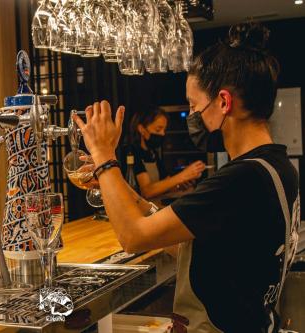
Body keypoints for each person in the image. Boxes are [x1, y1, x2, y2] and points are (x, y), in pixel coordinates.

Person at [73, 22, 299, 332]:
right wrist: (116, 185)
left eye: (194, 106)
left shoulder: (242, 178)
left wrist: (102, 157)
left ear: (223, 102)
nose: (192, 117)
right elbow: (195, 246)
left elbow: (133, 237)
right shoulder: (274, 166)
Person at [124, 107, 205, 199]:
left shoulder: (153, 153)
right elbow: (147, 191)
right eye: (158, 129)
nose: (162, 134)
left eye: (164, 130)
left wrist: (181, 184)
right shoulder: (132, 152)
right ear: (142, 129)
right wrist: (183, 175)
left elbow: (166, 183)